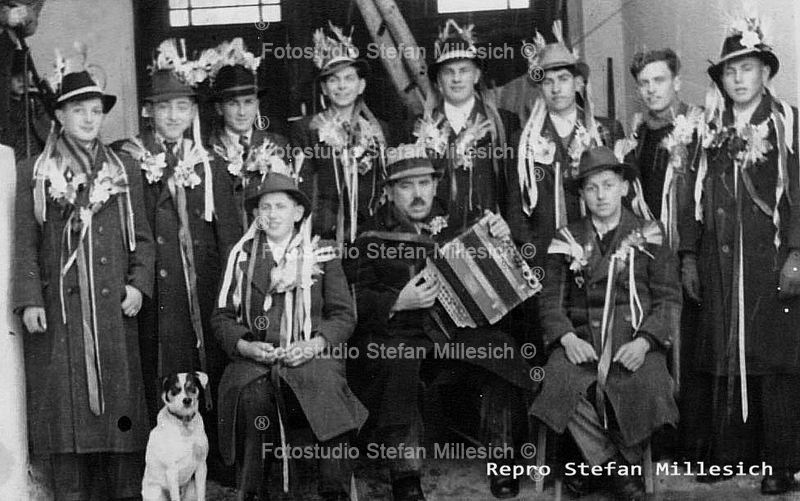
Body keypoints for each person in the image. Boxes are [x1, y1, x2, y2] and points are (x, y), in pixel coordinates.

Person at [349, 144, 535, 500]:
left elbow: (511, 277)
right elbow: (351, 298)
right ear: (388, 192)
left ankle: (503, 461)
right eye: (406, 186)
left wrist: (503, 239)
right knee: (397, 363)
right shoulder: (370, 237)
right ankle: (406, 476)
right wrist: (396, 301)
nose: (418, 194)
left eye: (424, 183)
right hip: (400, 335)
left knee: (502, 350)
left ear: (436, 185)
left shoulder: (463, 223)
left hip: (457, 333)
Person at [13, 64, 154, 500]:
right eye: (79, 110)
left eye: (96, 111)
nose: (90, 119)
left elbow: (144, 239)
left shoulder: (124, 168)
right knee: (64, 401)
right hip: (61, 308)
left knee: (120, 401)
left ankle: (125, 491)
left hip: (114, 305)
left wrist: (138, 284)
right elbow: (25, 242)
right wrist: (30, 299)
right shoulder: (34, 171)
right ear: (58, 115)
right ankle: (70, 492)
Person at [680, 14, 800, 495]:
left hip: (769, 260)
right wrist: (689, 255)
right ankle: (730, 454)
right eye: (730, 71)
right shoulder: (706, 128)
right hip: (718, 260)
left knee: (774, 360)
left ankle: (781, 462)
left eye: (747, 68)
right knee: (724, 353)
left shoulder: (787, 122)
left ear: (765, 73)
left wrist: (796, 252)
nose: (738, 79)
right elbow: (688, 194)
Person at [113, 38, 240, 482]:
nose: (173, 116)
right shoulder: (128, 159)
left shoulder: (211, 164)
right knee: (157, 367)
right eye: (164, 107)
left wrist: (229, 290)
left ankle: (214, 459)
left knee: (207, 368)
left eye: (182, 107)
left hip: (201, 290)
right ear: (148, 111)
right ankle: (157, 465)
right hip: (156, 292)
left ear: (194, 113)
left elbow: (230, 238)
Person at [530, 146, 681, 501]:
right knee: (558, 381)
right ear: (581, 194)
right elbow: (550, 300)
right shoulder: (566, 238)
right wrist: (566, 338)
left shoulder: (650, 234)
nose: (601, 195)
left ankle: (590, 466)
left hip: (632, 343)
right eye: (592, 187)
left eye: (609, 185)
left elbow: (668, 299)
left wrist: (645, 342)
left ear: (625, 188)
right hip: (582, 343)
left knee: (647, 384)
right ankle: (615, 468)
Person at [212, 169, 366, 501]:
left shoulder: (321, 252)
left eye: (281, 206)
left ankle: (333, 490)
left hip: (311, 352)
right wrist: (248, 346)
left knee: (326, 386)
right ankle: (255, 491)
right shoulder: (241, 256)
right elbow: (222, 318)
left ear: (298, 212)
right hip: (257, 358)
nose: (272, 214)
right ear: (256, 214)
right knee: (253, 395)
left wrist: (315, 344)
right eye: (265, 207)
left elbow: (343, 315)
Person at [511, 21, 627, 274]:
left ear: (578, 83)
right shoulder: (523, 141)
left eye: (563, 79)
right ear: (540, 89)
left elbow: (623, 197)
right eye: (548, 82)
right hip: (545, 260)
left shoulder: (606, 131)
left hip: (600, 256)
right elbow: (516, 210)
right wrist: (535, 254)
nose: (556, 89)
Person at [414, 18, 519, 231]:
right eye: (448, 72)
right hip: (438, 234)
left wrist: (508, 224)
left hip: (491, 232)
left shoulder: (504, 123)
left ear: (477, 75)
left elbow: (516, 188)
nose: (456, 79)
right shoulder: (420, 128)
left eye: (464, 70)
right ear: (439, 82)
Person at [291, 22, 388, 246]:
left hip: (372, 235)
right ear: (324, 88)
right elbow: (303, 188)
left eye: (349, 78)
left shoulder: (378, 129)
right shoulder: (307, 129)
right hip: (324, 234)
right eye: (333, 80)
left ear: (361, 85)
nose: (341, 86)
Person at [207, 37, 292, 233]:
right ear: (219, 108)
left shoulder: (278, 144)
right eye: (232, 103)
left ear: (257, 104)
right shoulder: (207, 151)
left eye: (248, 102)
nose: (242, 112)